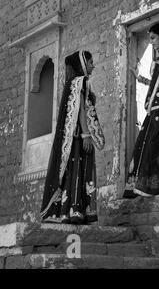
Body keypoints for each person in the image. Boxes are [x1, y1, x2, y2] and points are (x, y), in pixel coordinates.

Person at [40, 51, 105, 224]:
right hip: (78, 137)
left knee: (72, 171)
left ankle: (67, 212)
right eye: (90, 62)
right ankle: (76, 210)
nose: (93, 66)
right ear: (82, 64)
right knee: (79, 170)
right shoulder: (80, 82)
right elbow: (82, 110)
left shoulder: (70, 83)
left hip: (71, 138)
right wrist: (86, 134)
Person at [124, 23, 159, 198]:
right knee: (143, 146)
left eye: (153, 38)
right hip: (152, 111)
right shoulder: (158, 60)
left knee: (154, 148)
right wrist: (139, 77)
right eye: (149, 38)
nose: (151, 42)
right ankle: (138, 187)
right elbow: (155, 84)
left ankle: (153, 186)